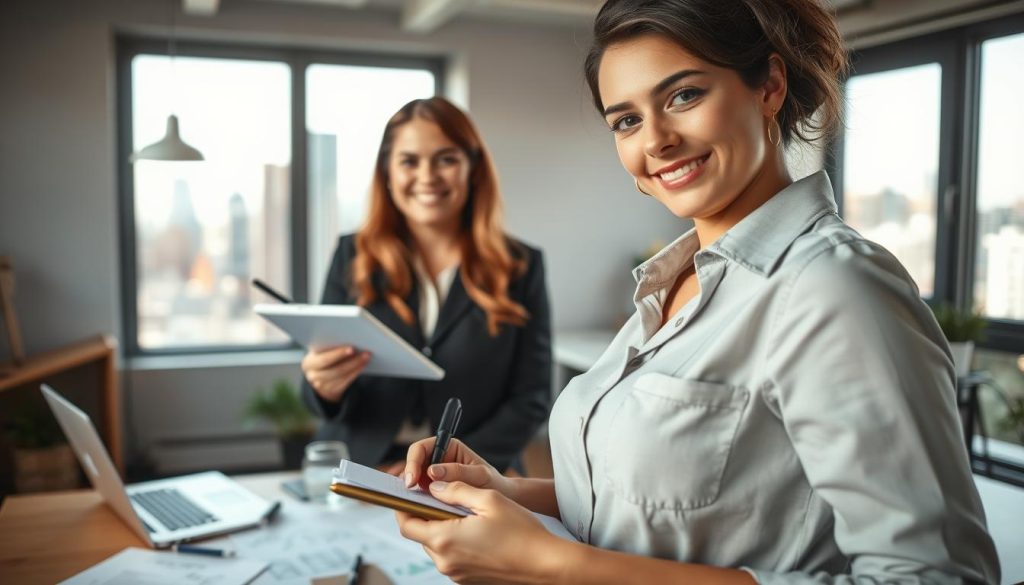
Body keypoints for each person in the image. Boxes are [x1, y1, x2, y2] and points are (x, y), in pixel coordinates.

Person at [394, 1, 1001, 583]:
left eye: (684, 95)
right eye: (626, 120)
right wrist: (504, 492)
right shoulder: (675, 283)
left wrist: (551, 567)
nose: (655, 140)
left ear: (769, 85)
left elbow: (937, 577)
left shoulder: (835, 289)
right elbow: (662, 505)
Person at [300, 97, 552, 473]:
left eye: (446, 159)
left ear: (473, 169)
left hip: (472, 473)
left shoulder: (520, 265)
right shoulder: (351, 255)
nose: (427, 175)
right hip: (363, 471)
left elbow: (532, 397)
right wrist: (323, 385)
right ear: (387, 172)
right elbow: (315, 396)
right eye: (409, 161)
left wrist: (441, 467)